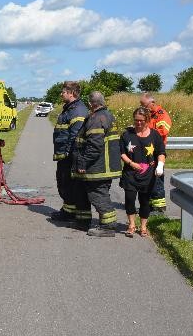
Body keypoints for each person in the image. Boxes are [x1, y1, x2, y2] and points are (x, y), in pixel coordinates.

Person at [72, 91, 122, 237]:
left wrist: (82, 162)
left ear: (90, 104)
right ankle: (82, 221)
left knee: (97, 194)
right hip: (99, 165)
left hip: (98, 167)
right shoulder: (105, 115)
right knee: (82, 193)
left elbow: (94, 146)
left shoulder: (97, 118)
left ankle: (108, 226)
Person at [119, 107, 166, 237]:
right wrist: (131, 163)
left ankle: (143, 226)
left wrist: (160, 165)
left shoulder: (155, 135)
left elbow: (161, 153)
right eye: (136, 120)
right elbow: (122, 153)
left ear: (147, 120)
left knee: (145, 201)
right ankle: (131, 225)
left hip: (148, 175)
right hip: (130, 174)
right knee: (129, 199)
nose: (138, 123)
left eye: (141, 121)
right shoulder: (127, 134)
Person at [50, 81, 88, 222]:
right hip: (65, 154)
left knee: (67, 183)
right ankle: (67, 210)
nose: (61, 94)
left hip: (69, 155)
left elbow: (75, 135)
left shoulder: (77, 110)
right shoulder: (70, 108)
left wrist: (67, 153)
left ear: (71, 93)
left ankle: (69, 213)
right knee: (64, 183)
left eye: (63, 92)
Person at [140, 92, 172, 212]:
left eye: (144, 105)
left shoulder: (161, 114)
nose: (143, 108)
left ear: (152, 102)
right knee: (147, 178)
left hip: (157, 152)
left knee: (157, 179)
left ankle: (159, 209)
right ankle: (149, 205)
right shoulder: (149, 115)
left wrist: (147, 131)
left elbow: (163, 131)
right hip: (147, 151)